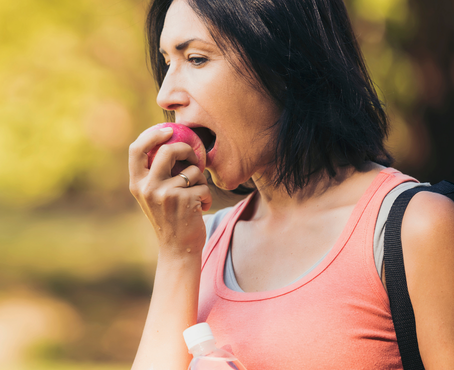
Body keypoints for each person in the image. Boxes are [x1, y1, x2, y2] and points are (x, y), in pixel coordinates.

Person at [127, 0, 454, 369]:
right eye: (168, 62)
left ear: (285, 62)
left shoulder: (415, 227)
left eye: (197, 59)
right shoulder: (202, 243)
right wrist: (177, 254)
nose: (165, 95)